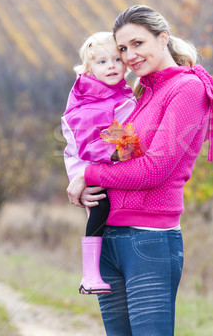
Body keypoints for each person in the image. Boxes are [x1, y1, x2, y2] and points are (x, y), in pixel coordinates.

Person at [66, 5, 213, 335]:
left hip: (148, 241)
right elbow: (113, 154)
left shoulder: (187, 89)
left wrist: (89, 177)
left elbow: (155, 169)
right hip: (109, 237)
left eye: (138, 43)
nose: (130, 55)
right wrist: (82, 174)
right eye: (123, 48)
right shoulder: (139, 93)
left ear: (162, 38)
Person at [61, 31, 136, 295]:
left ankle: (95, 271)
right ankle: (89, 275)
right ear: (89, 69)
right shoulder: (88, 93)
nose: (112, 66)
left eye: (117, 59)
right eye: (102, 62)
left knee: (99, 206)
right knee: (99, 205)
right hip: (83, 160)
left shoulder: (118, 94)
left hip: (91, 160)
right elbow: (82, 126)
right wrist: (118, 150)